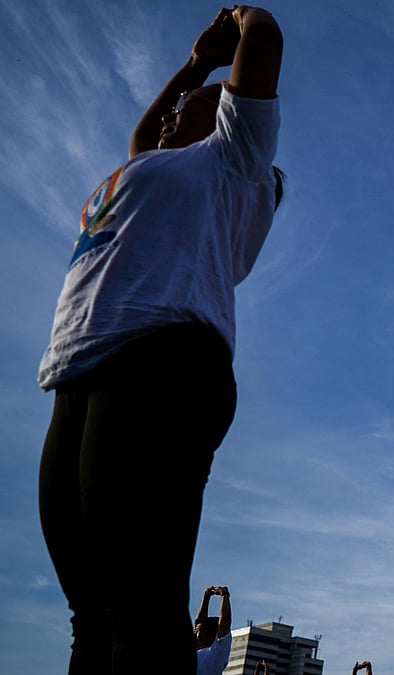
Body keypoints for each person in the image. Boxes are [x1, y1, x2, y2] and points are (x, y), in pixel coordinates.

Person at [36, 6, 283, 673]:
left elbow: (263, 44)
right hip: (82, 370)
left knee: (144, 605)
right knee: (92, 611)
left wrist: (237, 22)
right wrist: (193, 67)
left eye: (194, 105)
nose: (175, 112)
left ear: (227, 120)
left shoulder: (232, 163)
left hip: (163, 363)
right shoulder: (155, 164)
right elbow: (147, 132)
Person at [195, 586, 233, 675]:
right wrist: (206, 597)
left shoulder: (216, 653)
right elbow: (199, 621)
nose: (194, 632)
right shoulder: (198, 651)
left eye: (198, 630)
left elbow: (225, 620)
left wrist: (224, 595)